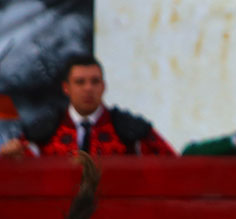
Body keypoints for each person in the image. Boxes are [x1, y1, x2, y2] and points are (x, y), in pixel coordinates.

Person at [0, 54, 174, 158]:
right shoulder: (42, 132)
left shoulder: (132, 130)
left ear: (103, 86)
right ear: (66, 88)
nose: (88, 88)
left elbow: (172, 167)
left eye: (94, 81)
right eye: (80, 82)